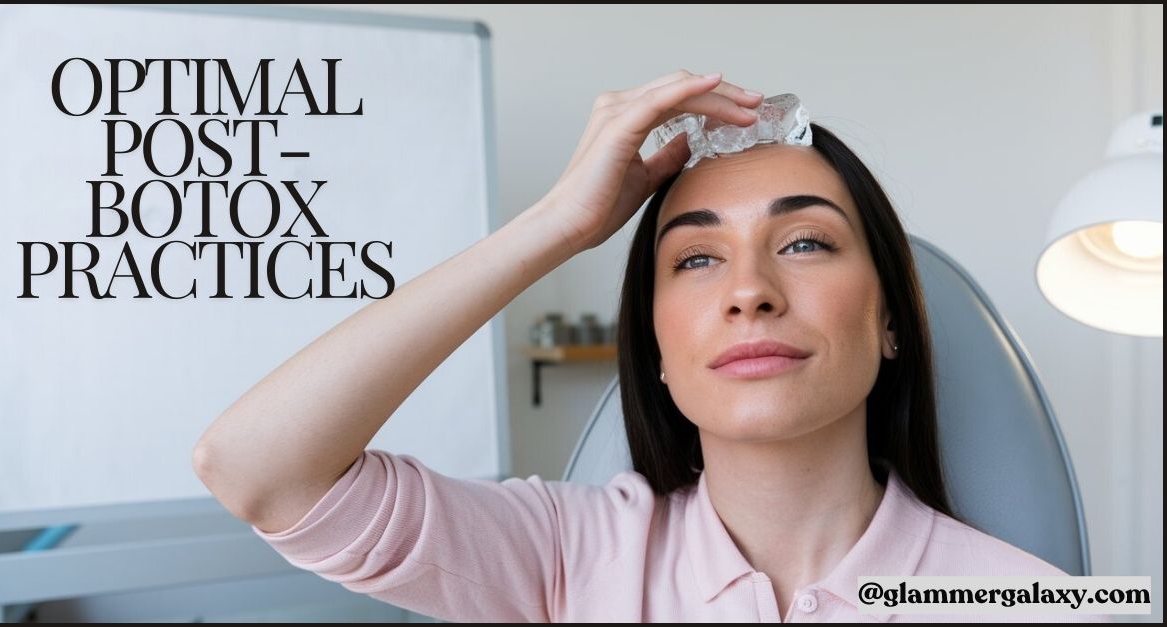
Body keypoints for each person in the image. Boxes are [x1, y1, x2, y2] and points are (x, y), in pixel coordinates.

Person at [193, 70, 1106, 622]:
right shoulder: (568, 556)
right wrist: (557, 226)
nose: (749, 290)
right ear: (658, 349)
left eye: (804, 242)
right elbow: (256, 469)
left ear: (893, 318)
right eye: (697, 258)